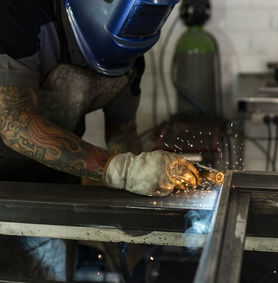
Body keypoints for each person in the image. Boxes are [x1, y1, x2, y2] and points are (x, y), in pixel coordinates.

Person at [0, 0, 199, 280]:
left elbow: (121, 133)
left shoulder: (131, 53)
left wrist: (141, 179)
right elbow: (13, 122)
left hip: (55, 184)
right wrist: (122, 171)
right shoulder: (21, 13)